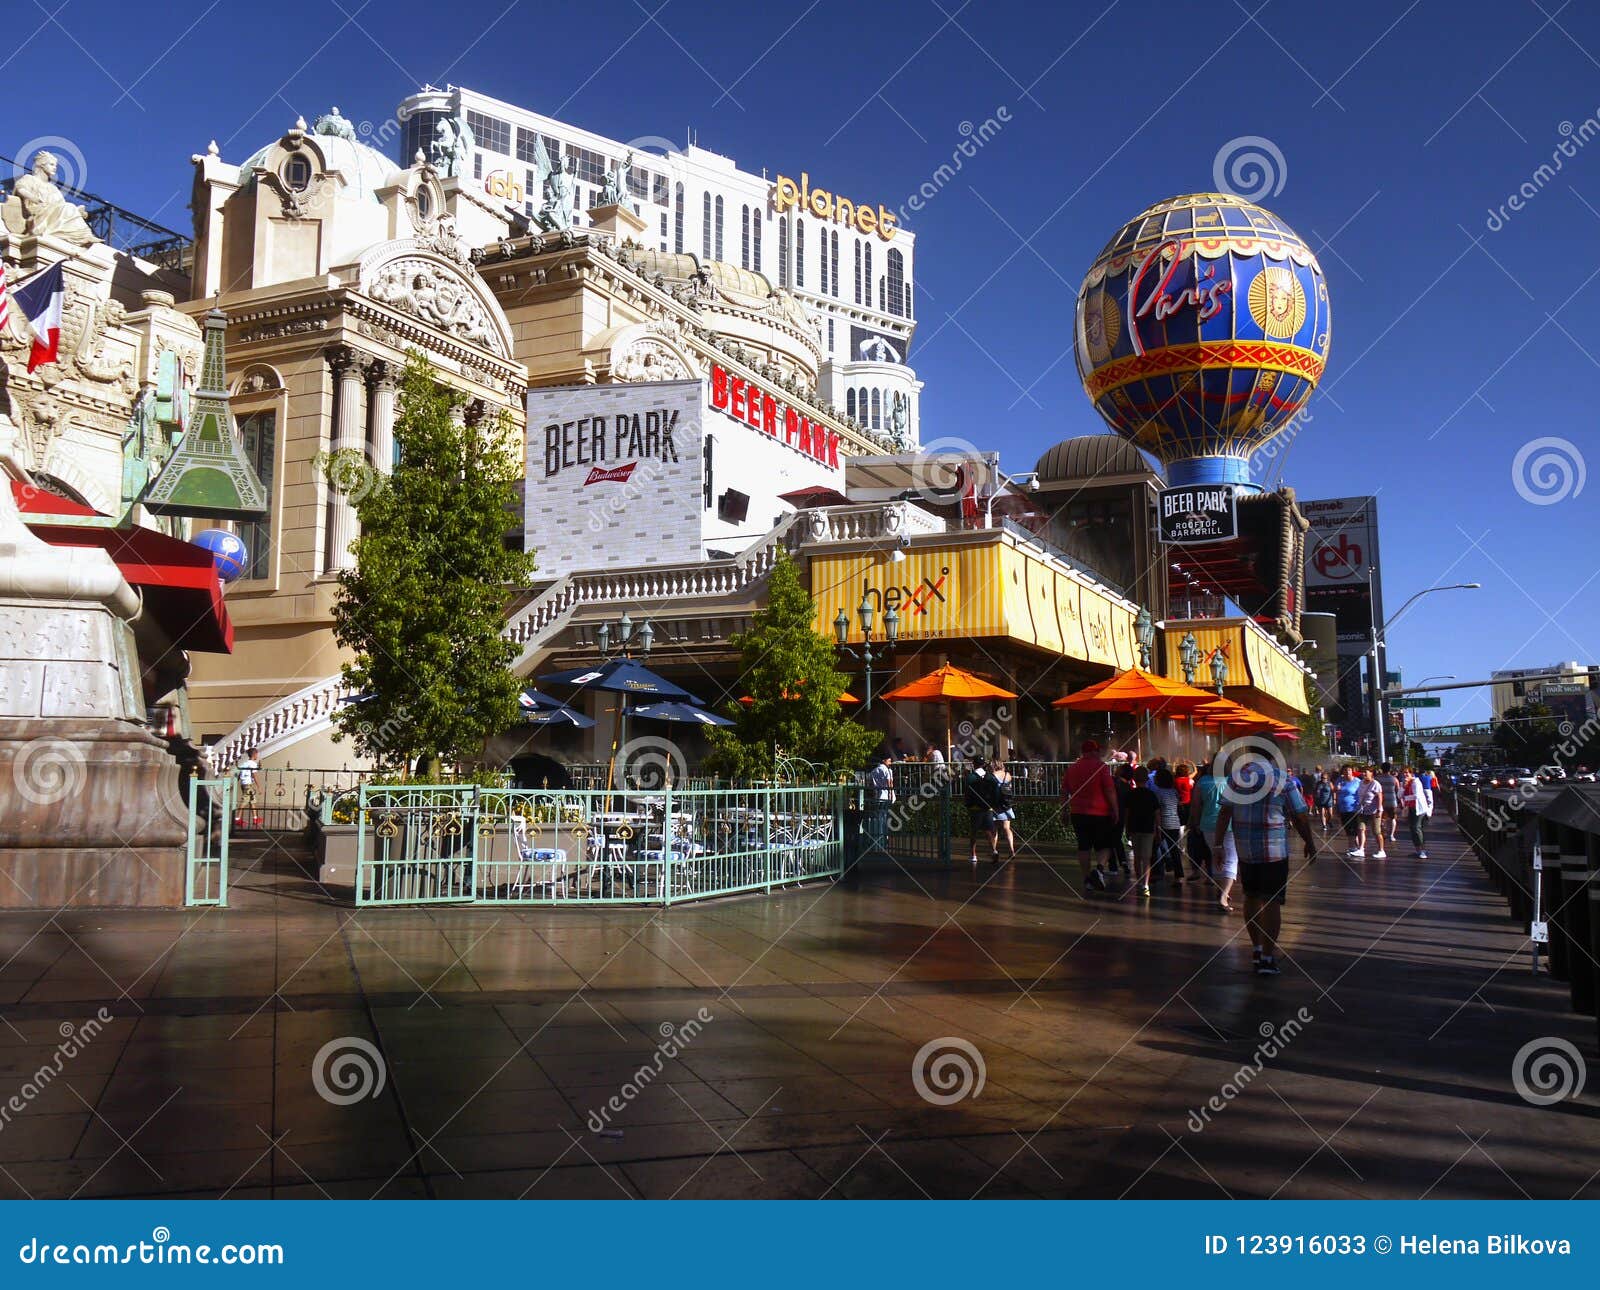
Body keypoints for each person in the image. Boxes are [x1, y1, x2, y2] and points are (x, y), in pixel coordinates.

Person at [1215, 743, 1315, 976]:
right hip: (1274, 852)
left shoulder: (1236, 779)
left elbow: (1224, 813)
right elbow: (1300, 816)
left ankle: (1257, 948)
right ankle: (1268, 958)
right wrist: (1310, 843)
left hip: (1246, 851)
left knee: (1250, 898)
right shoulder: (1283, 780)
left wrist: (1218, 845)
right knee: (1271, 902)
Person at [1062, 740, 1119, 893]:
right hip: (1100, 813)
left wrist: (1064, 811)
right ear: (1094, 751)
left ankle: (1087, 879)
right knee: (1105, 846)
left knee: (1083, 846)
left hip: (1078, 813)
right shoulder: (1101, 767)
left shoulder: (1072, 768)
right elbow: (1109, 791)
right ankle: (1099, 870)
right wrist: (1115, 809)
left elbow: (1064, 792)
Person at [1193, 761, 1234, 908]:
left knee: (1215, 855)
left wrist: (1195, 822)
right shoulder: (1232, 780)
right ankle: (1223, 896)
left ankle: (1220, 889)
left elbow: (1196, 804)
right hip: (1229, 825)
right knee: (1231, 859)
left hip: (1208, 824)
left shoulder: (1203, 781)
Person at [1120, 765, 1160, 898]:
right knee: (1146, 858)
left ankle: (1139, 882)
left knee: (1137, 857)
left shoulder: (1130, 794)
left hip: (1134, 828)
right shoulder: (1151, 794)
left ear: (1135, 779)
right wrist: (1158, 829)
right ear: (1147, 779)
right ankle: (1146, 885)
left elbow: (1127, 813)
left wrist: (1126, 828)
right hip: (1148, 829)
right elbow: (1157, 814)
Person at [964, 762, 1002, 863]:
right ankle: (994, 850)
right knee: (988, 831)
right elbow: (996, 791)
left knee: (974, 832)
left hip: (975, 809)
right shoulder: (989, 777)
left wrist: (968, 804)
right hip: (987, 808)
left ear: (974, 764)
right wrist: (994, 804)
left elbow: (967, 792)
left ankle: (973, 855)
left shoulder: (970, 777)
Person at [1152, 767, 1184, 883]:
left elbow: (1157, 811)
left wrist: (1157, 828)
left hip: (1163, 824)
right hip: (1175, 823)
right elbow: (1179, 806)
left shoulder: (1157, 793)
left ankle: (1157, 873)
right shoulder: (1174, 791)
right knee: (1174, 850)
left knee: (1155, 848)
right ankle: (1178, 877)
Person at [865, 752, 895, 855]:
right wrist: (891, 795)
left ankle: (878, 839)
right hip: (886, 797)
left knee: (879, 817)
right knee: (885, 818)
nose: (890, 762)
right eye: (889, 760)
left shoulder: (874, 771)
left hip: (877, 797)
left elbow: (870, 785)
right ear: (884, 760)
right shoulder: (887, 770)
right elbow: (890, 783)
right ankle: (884, 839)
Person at [1352, 766, 1385, 859]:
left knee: (1376, 831)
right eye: (1362, 772)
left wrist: (1379, 809)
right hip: (1363, 809)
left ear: (1371, 773)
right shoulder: (1361, 783)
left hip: (1374, 811)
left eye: (1365, 772)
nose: (1363, 774)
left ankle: (1381, 850)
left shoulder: (1375, 784)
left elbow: (1379, 797)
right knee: (1360, 828)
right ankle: (1361, 849)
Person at [989, 759, 1018, 860]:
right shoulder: (1007, 775)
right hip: (1006, 804)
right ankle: (1012, 850)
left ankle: (994, 851)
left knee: (994, 829)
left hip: (995, 805)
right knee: (1007, 828)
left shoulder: (992, 776)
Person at [1404, 766, 1435, 858]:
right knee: (1412, 829)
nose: (1405, 775)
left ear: (1411, 774)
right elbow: (1399, 795)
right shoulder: (1405, 783)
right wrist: (1403, 787)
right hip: (1410, 808)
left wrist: (1406, 797)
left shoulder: (1416, 782)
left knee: (1417, 828)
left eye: (1407, 773)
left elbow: (1416, 795)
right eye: (1404, 773)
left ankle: (1423, 850)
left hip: (1419, 809)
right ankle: (1417, 849)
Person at [1336, 766, 1362, 852]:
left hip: (1353, 808)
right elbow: (1336, 792)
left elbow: (1361, 793)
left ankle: (1352, 847)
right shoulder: (1340, 781)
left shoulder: (1357, 782)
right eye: (1345, 770)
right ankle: (1356, 846)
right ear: (1342, 772)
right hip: (1342, 808)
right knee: (1347, 828)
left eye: (1349, 770)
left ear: (1352, 771)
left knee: (1353, 828)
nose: (1347, 772)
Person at [1377, 761, 1402, 848]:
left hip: (1382, 801)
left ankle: (1384, 832)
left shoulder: (1378, 779)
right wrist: (1399, 801)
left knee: (1382, 819)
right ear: (1390, 769)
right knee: (1392, 818)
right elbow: (1398, 790)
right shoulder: (1394, 779)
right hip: (1392, 801)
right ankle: (1391, 835)